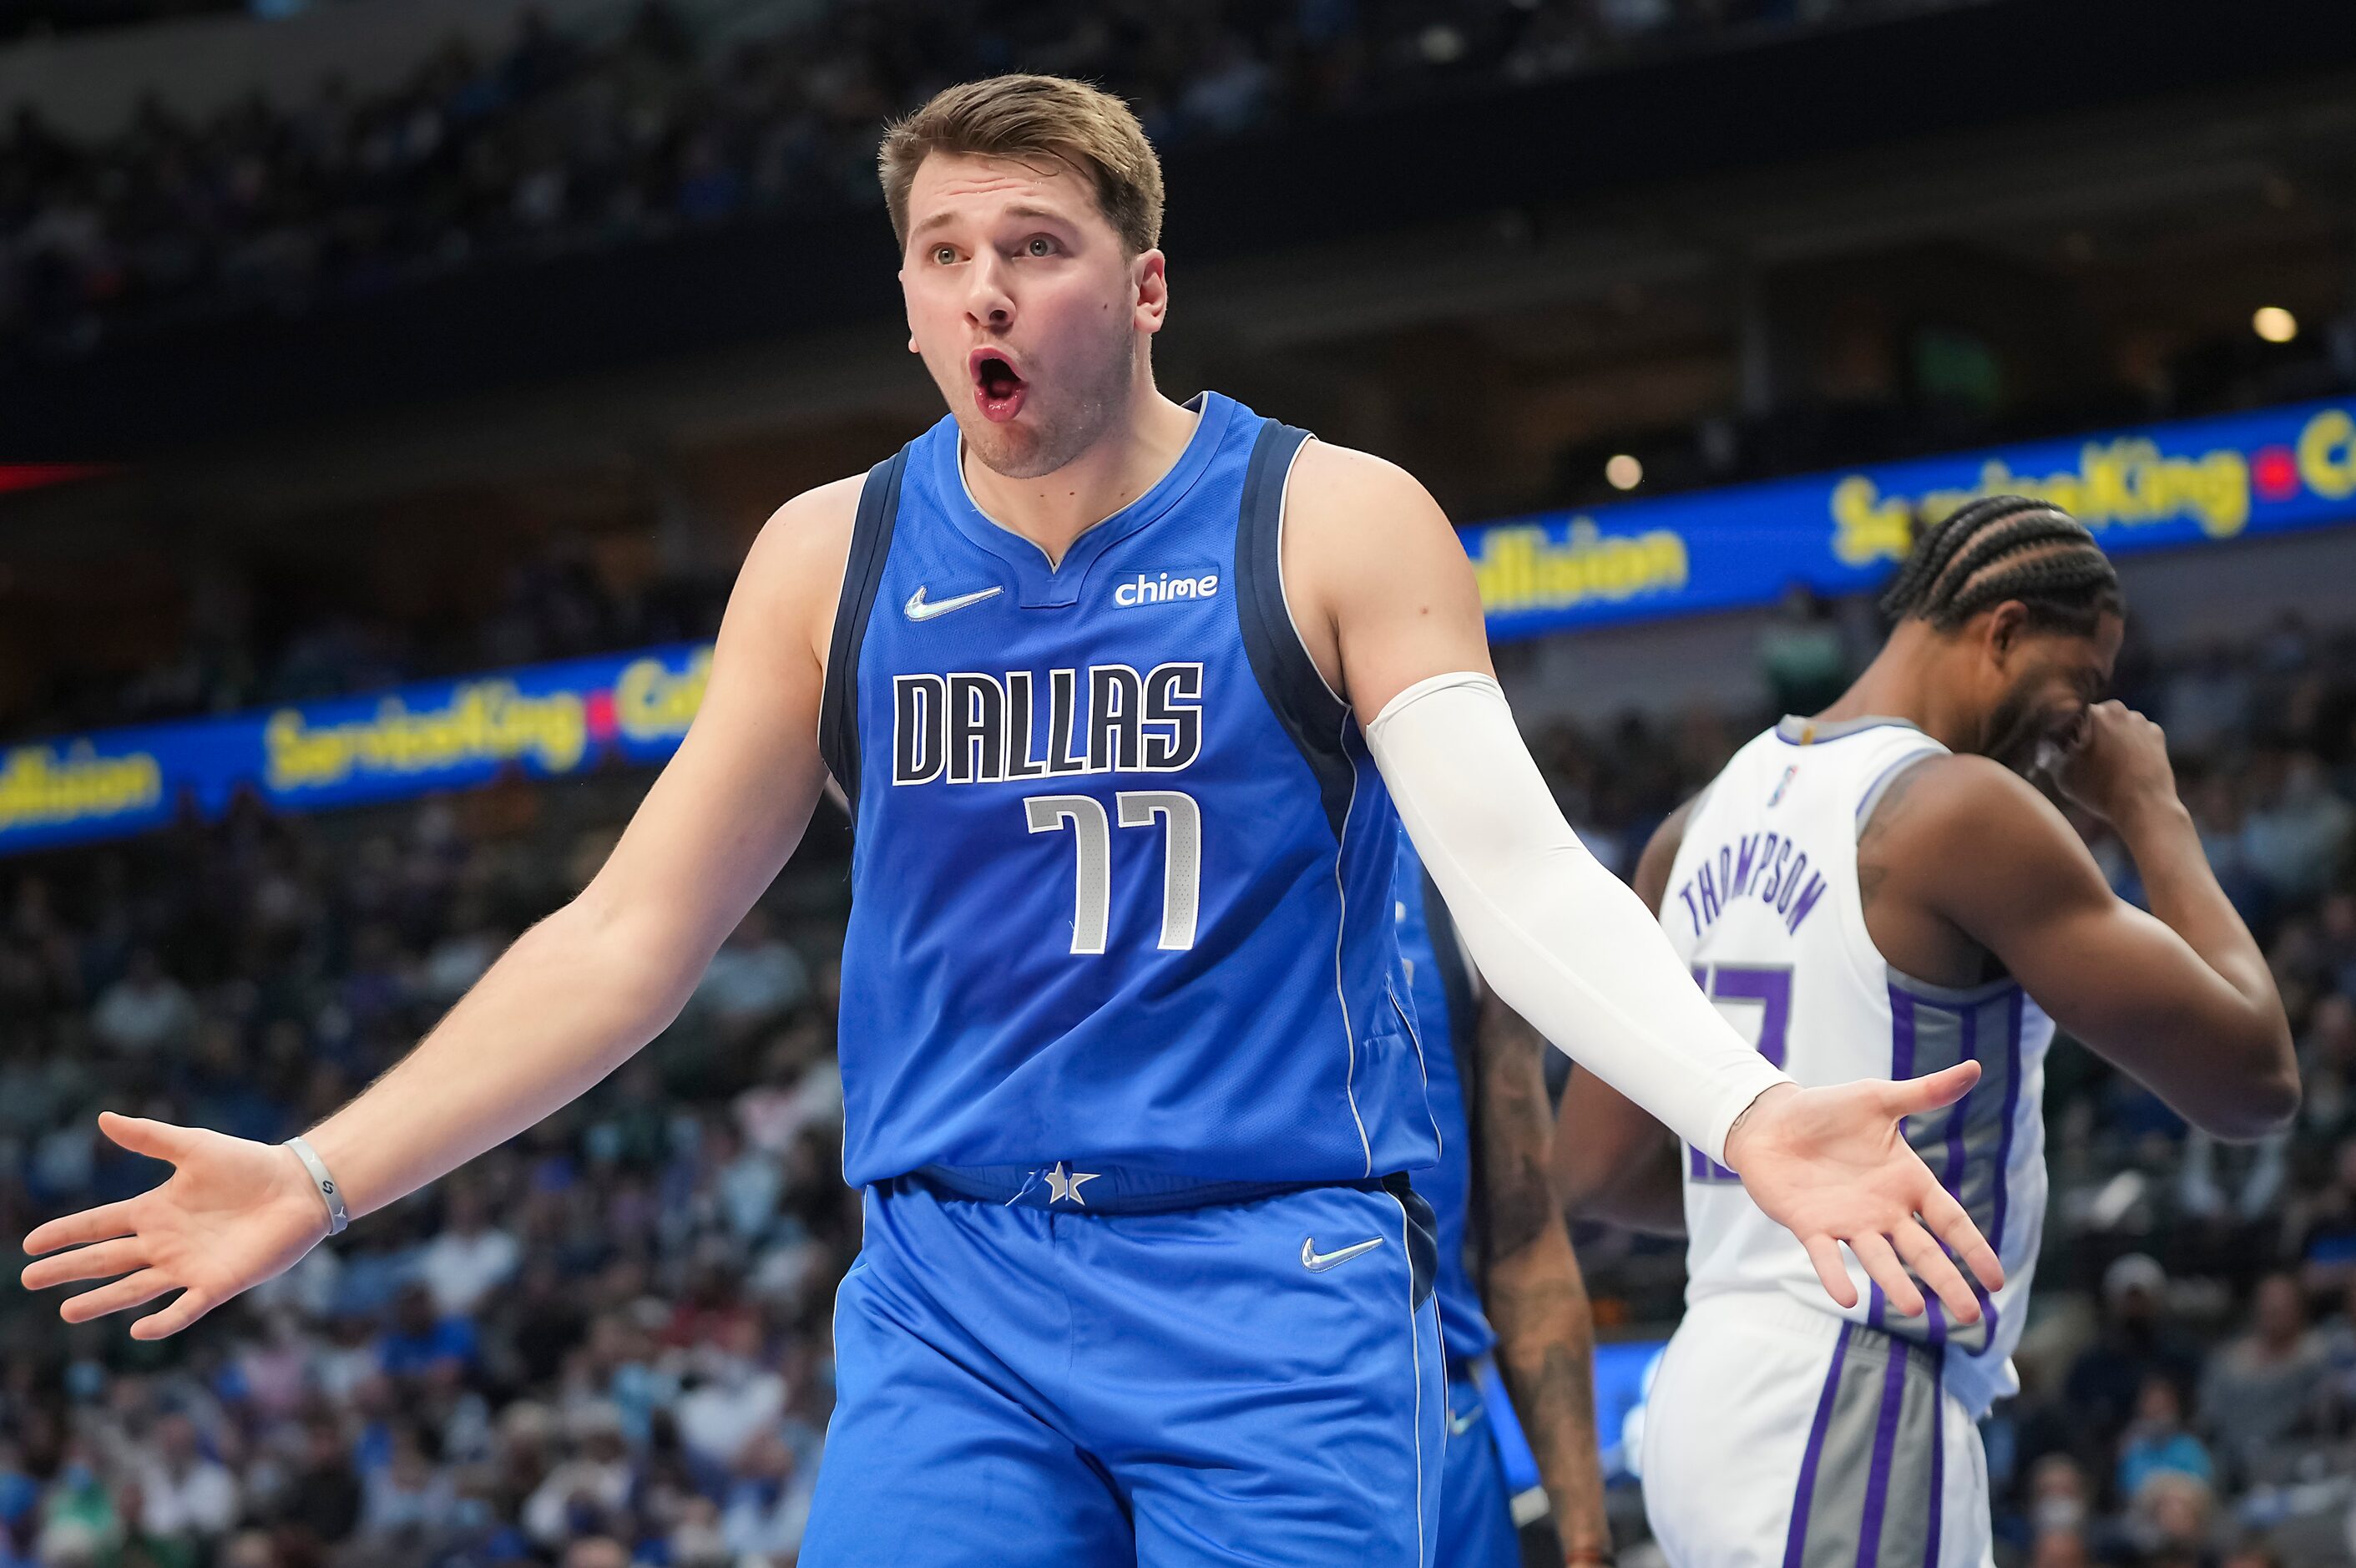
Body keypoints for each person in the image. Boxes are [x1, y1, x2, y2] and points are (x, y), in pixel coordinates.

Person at [23, 75, 2000, 1568]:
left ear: (1140, 288)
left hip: (1278, 1268)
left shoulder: (1326, 515)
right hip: (953, 1290)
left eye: (1036, 247)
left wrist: (1739, 1107)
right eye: (947, 251)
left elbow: (1508, 868)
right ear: (903, 298)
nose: (988, 287)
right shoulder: (833, 557)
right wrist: (327, 1171)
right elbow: (629, 939)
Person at [1555, 494, 2300, 1566]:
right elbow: (2254, 1082)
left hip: (1710, 1382)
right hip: (1847, 1384)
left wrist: (1779, 1215)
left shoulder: (1691, 824)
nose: (2085, 727)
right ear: (1999, 630)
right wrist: (2149, 811)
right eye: (2080, 685)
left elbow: (1591, 1169)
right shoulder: (1958, 810)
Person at [1392, 837, 1610, 1568]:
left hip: (1426, 1416)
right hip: (1146, 1388)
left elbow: (1523, 1228)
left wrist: (1585, 1543)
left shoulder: (1460, 876)